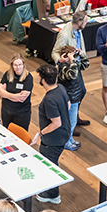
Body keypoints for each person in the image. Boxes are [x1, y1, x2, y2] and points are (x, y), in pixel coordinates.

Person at [30, 65, 70, 203]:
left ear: (43, 81)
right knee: (51, 162)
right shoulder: (61, 88)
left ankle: (53, 194)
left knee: (50, 164)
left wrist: (41, 133)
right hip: (64, 133)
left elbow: (56, 123)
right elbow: (68, 105)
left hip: (53, 140)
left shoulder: (49, 99)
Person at [56, 45, 89, 151]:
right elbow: (73, 74)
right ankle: (66, 141)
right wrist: (72, 61)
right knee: (70, 121)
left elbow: (85, 65)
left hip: (75, 97)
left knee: (73, 121)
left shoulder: (73, 64)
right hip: (69, 99)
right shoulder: (63, 67)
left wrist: (82, 56)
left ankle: (69, 139)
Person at [0, 54, 34, 130]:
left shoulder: (28, 77)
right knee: (6, 131)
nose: (18, 67)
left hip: (21, 113)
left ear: (23, 64)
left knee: (20, 134)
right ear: (12, 65)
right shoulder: (8, 74)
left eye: (20, 65)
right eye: (15, 65)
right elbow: (0, 91)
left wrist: (6, 95)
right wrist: (15, 96)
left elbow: (22, 97)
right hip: (6, 110)